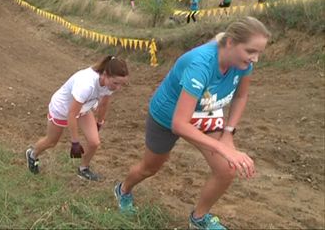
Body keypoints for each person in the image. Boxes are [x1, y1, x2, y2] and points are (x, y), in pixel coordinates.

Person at [114, 17, 271, 229]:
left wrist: (228, 134)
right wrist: (222, 148)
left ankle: (198, 219)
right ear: (231, 42)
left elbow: (241, 97)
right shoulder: (201, 64)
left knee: (226, 169)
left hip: (205, 110)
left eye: (259, 53)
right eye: (251, 51)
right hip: (168, 115)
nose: (255, 59)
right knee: (150, 168)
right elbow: (179, 124)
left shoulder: (242, 63)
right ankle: (123, 189)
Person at [26, 56, 129, 181]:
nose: (118, 88)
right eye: (116, 83)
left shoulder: (109, 84)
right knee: (51, 141)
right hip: (63, 109)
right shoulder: (87, 84)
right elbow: (71, 114)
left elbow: (104, 103)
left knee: (94, 142)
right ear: (105, 74)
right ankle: (32, 154)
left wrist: (100, 122)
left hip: (82, 108)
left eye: (121, 84)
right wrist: (75, 142)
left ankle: (83, 169)